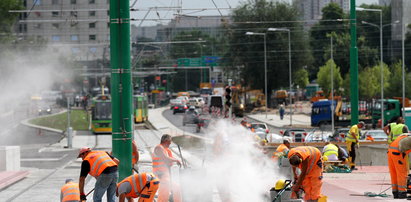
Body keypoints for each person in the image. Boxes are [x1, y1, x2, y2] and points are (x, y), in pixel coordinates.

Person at [152, 134, 182, 202]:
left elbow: (169, 162)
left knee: (176, 188)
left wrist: (173, 160)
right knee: (164, 194)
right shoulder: (159, 148)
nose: (170, 143)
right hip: (160, 175)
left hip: (166, 175)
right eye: (169, 142)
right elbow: (166, 158)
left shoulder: (167, 150)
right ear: (166, 141)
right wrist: (176, 160)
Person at [388, 134, 411, 199]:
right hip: (398, 154)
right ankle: (402, 193)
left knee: (394, 173)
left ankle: (395, 192)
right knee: (402, 173)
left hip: (390, 152)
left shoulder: (404, 136)